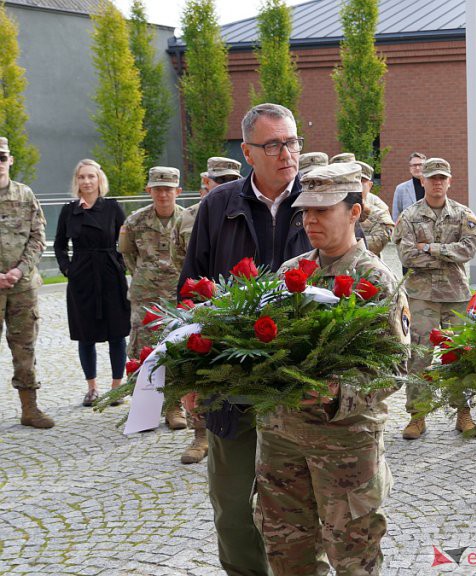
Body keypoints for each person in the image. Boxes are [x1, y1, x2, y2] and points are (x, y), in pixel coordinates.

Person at [256, 162, 410, 575]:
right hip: (281, 440)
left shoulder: (374, 279)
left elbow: (395, 365)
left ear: (355, 212)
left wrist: (337, 392)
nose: (310, 219)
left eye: (323, 210)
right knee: (286, 552)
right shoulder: (291, 273)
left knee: (353, 556)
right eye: (306, 210)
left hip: (344, 446)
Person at [179, 103, 312, 576]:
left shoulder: (319, 201)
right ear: (248, 153)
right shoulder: (219, 204)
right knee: (233, 506)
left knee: (301, 511)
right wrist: (189, 380)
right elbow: (191, 292)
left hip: (303, 383)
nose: (287, 154)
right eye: (273, 144)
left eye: (292, 142)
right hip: (230, 380)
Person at [393, 157, 476, 439]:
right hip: (422, 297)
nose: (437, 183)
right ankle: (417, 416)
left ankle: (463, 412)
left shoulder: (463, 215)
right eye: (432, 178)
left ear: (450, 181)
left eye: (442, 178)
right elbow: (406, 255)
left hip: (455, 295)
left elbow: (468, 251)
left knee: (459, 356)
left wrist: (429, 247)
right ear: (423, 181)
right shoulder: (408, 216)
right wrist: (446, 254)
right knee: (419, 356)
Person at [176, 156, 241, 466]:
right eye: (219, 180)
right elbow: (184, 261)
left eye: (231, 179)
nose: (225, 185)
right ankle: (200, 433)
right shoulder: (191, 216)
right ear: (207, 183)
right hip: (207, 302)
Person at [54, 159, 130, 408]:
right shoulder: (69, 210)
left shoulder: (112, 207)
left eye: (91, 176)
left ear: (99, 180)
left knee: (117, 333)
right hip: (82, 277)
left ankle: (117, 387)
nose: (86, 181)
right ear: (77, 181)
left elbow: (128, 240)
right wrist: (68, 268)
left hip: (110, 274)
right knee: (85, 335)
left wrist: (121, 264)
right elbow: (59, 244)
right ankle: (92, 388)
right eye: (82, 177)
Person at [119, 166, 187, 431]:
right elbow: (129, 257)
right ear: (149, 190)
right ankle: (145, 408)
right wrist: (146, 277)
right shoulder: (135, 222)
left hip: (176, 294)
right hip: (145, 295)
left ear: (178, 191)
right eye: (157, 189)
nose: (163, 194)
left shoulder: (188, 219)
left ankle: (173, 406)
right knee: (142, 349)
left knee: (176, 347)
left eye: (168, 189)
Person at [0, 136, 52, 428]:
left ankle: (29, 409)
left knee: (25, 349)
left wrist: (19, 270)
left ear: (10, 160)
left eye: (1, 157)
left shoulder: (25, 195)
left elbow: (38, 236)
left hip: (22, 287)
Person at [179, 157, 242, 255]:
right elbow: (178, 259)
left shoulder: (247, 214)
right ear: (206, 181)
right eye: (221, 179)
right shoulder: (187, 217)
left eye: (233, 180)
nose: (228, 185)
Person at [355, 160, 396, 257]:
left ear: (369, 185)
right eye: (353, 180)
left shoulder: (378, 213)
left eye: (361, 181)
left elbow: (378, 242)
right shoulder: (333, 208)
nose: (356, 185)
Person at [391, 152, 426, 220]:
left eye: (420, 165)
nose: (417, 167)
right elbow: (396, 215)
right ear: (410, 168)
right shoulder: (401, 189)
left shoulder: (433, 186)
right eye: (414, 165)